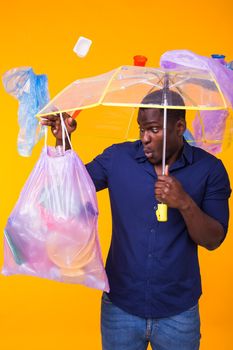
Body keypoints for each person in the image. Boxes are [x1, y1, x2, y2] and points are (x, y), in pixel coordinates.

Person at [41, 90, 231, 350]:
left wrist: (184, 202)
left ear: (179, 127)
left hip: (179, 311)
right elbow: (71, 188)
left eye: (153, 130)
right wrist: (64, 141)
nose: (145, 138)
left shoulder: (210, 169)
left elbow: (213, 239)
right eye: (142, 129)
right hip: (120, 307)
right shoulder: (117, 158)